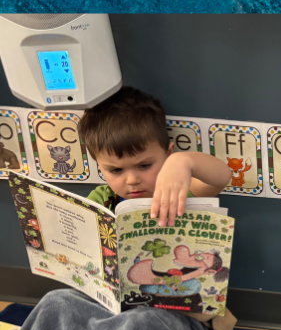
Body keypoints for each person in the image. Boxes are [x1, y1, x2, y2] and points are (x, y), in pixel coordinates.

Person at [78, 86, 230, 225]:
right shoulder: (101, 200)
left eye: (144, 166)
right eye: (116, 170)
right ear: (98, 164)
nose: (132, 180)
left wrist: (183, 161)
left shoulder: (179, 191)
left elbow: (222, 177)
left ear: (168, 153)